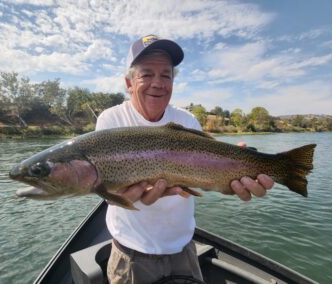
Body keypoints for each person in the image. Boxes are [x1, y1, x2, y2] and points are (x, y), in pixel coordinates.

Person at [95, 35, 274, 284]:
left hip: (184, 249)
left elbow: (204, 171)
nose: (158, 83)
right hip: (132, 252)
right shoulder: (110, 121)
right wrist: (116, 196)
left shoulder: (187, 120)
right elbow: (104, 184)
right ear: (129, 82)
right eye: (147, 74)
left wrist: (231, 177)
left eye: (166, 75)